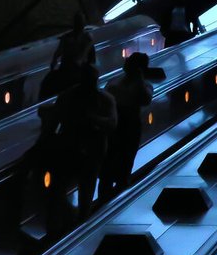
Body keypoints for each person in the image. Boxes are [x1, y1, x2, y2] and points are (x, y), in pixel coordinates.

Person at [38, 63, 116, 231]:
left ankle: (66, 224)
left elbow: (52, 123)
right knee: (80, 189)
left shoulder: (68, 97)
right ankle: (77, 223)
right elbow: (111, 123)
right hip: (83, 149)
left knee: (64, 189)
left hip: (78, 148)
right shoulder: (103, 99)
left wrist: (45, 141)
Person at [100, 52, 152, 202]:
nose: (126, 63)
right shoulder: (116, 83)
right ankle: (114, 198)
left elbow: (145, 99)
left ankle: (109, 198)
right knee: (117, 165)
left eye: (129, 62)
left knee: (115, 165)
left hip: (123, 127)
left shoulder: (116, 84)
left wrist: (139, 80)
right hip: (127, 126)